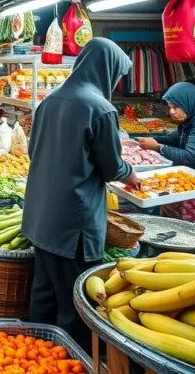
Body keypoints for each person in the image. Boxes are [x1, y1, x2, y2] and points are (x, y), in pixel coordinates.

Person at [22, 38, 140, 352]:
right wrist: (132, 174)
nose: (116, 82)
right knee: (76, 302)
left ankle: (36, 356)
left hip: (40, 217)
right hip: (72, 224)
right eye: (117, 75)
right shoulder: (100, 108)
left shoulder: (50, 100)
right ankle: (70, 361)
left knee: (44, 294)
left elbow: (33, 150)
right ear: (107, 69)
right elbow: (112, 167)